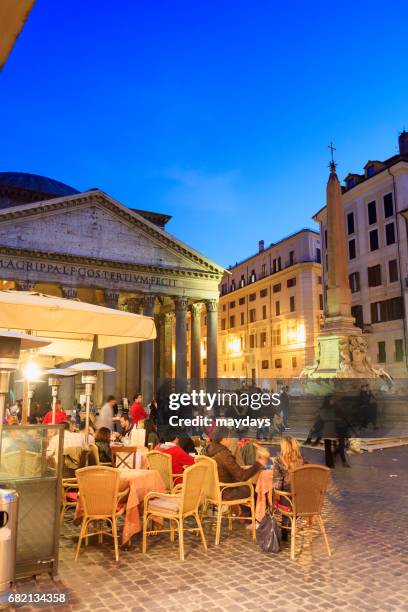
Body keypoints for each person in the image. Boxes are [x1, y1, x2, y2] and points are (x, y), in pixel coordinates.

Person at [204, 426, 265, 502]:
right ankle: (249, 513)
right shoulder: (224, 455)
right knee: (258, 489)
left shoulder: (207, 450)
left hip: (211, 491)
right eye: (230, 437)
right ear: (224, 438)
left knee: (249, 487)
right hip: (226, 492)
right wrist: (258, 464)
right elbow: (242, 476)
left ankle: (240, 511)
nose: (231, 439)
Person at [272, 436, 305, 540]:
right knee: (291, 496)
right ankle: (290, 525)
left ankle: (285, 529)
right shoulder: (303, 461)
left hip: (288, 501)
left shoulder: (279, 461)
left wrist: (273, 495)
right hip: (303, 502)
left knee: (283, 495)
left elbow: (277, 484)